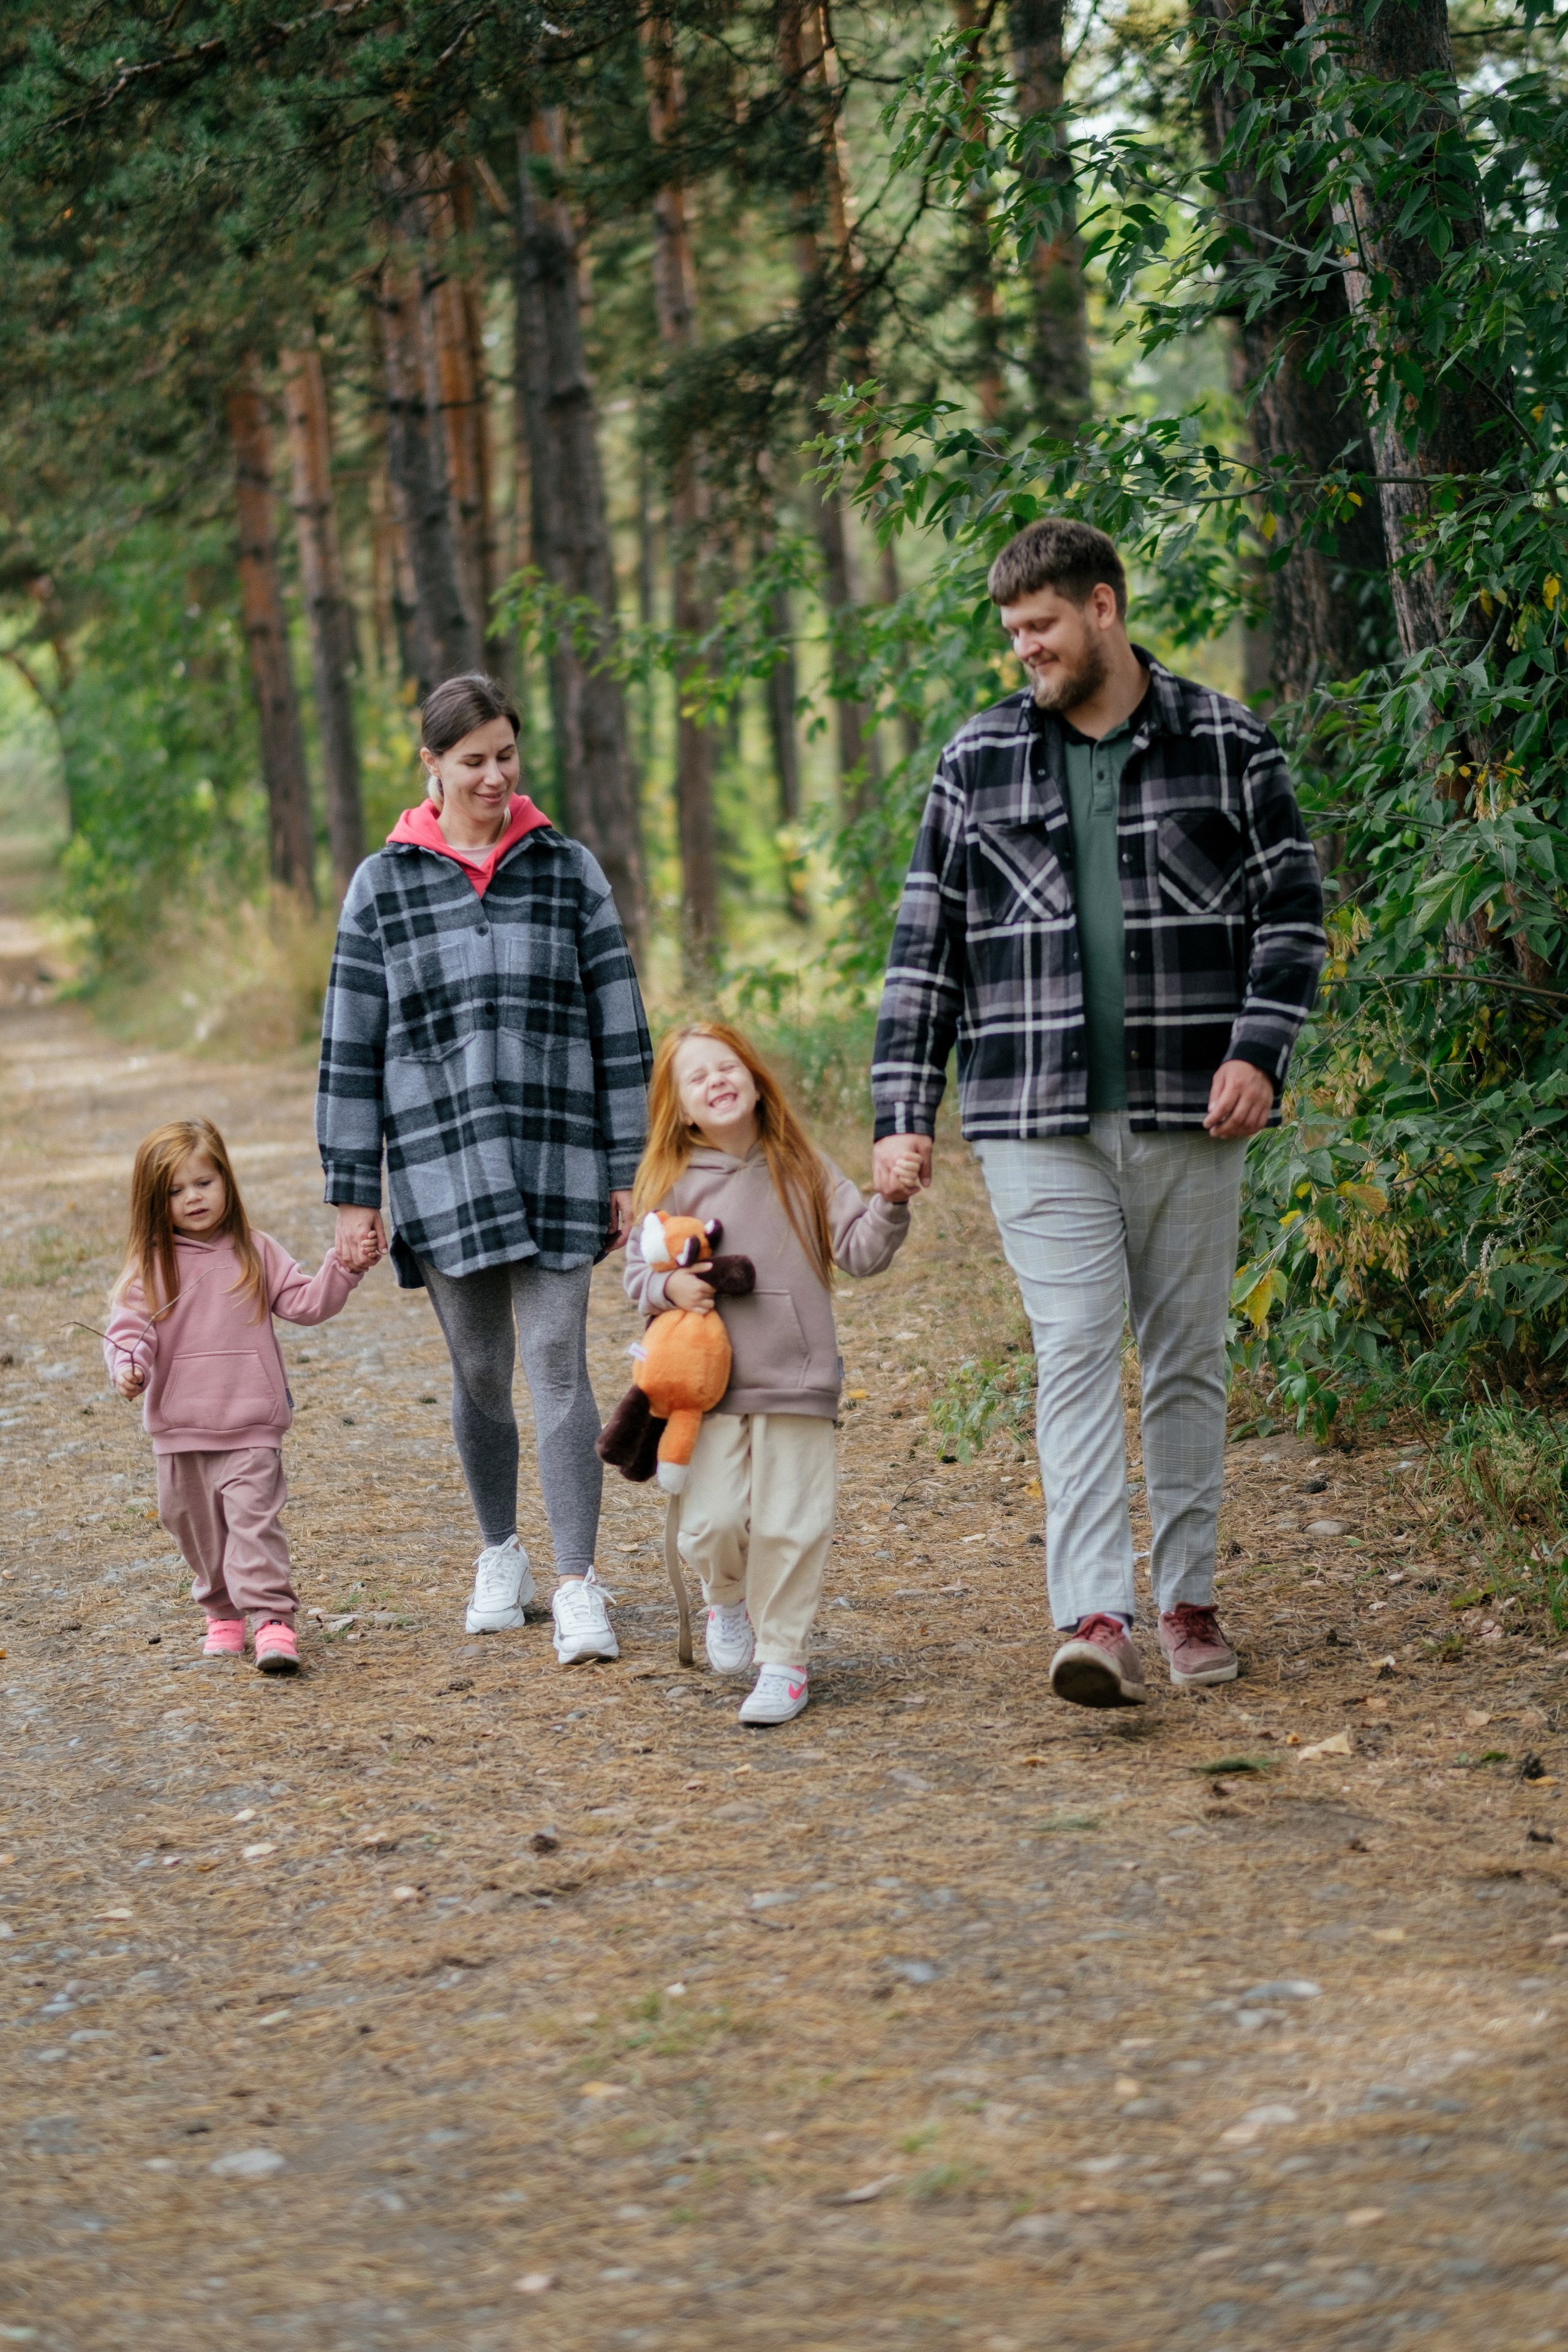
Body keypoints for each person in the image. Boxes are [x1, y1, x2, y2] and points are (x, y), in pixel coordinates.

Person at [871, 519, 1325, 1708]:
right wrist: (898, 1108)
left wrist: (1258, 1051)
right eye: (1010, 635)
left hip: (1193, 1110)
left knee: (1185, 1361)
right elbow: (926, 950)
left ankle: (1184, 1599)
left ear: (1104, 610)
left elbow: (1290, 913)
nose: (1024, 651)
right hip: (1032, 1116)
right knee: (1074, 1353)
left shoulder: (1225, 742)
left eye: (1041, 629)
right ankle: (1093, 1614)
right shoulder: (974, 762)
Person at [317, 672, 652, 1666]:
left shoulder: (568, 869)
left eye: (507, 755)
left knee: (558, 1366)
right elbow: (349, 1044)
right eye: (473, 762)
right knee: (480, 1375)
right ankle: (500, 1551)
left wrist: (631, 1165)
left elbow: (622, 1027)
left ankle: (580, 1581)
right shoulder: (383, 884)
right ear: (432, 765)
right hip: (440, 1161)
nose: (495, 777)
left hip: (560, 1157)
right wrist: (353, 1193)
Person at [623, 1023, 922, 1725]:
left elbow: (859, 1252)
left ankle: (783, 1660)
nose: (716, 1081)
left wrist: (890, 1202)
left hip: (797, 1374)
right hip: (708, 1386)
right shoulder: (671, 1178)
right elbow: (639, 1271)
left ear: (756, 1081)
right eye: (696, 1078)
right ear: (680, 1107)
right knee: (712, 1522)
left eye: (728, 1067)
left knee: (793, 1523)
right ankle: (725, 1598)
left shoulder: (801, 1164)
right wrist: (669, 1291)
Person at [104, 1117, 371, 1673]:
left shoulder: (256, 1251)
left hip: (250, 1421)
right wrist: (129, 1365)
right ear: (155, 1201)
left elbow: (305, 1304)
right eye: (176, 1191)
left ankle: (272, 1620)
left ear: (226, 1181)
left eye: (204, 1182)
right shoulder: (151, 1267)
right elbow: (132, 1330)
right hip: (180, 1430)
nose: (193, 1198)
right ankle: (222, 1611)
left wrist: (342, 1267)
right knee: (193, 1526)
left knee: (253, 1522)